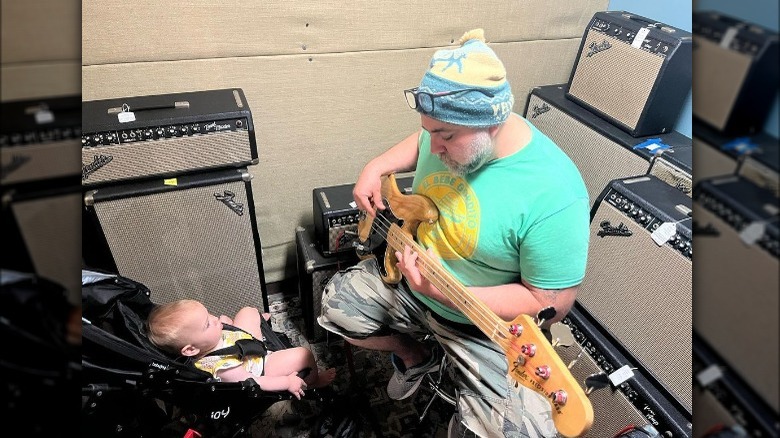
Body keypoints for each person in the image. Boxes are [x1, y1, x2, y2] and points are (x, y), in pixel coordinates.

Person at [318, 28, 590, 437]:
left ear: (492, 124)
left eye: (445, 136)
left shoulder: (555, 194)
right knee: (336, 307)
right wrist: (375, 166)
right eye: (430, 131)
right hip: (414, 283)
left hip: (482, 321)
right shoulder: (449, 134)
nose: (433, 146)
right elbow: (421, 141)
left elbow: (550, 303)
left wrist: (444, 293)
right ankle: (415, 357)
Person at [147, 299, 336, 399]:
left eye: (209, 314)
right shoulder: (225, 369)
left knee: (247, 311)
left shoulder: (205, 342)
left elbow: (223, 332)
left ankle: (257, 324)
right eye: (207, 324)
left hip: (241, 343)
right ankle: (313, 382)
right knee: (304, 355)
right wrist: (286, 382)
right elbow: (255, 381)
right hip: (260, 365)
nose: (214, 318)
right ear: (190, 350)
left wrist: (225, 325)